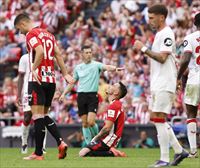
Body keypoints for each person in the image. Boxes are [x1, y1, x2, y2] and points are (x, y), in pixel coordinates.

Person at [133, 4, 188, 167]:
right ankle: (179, 151)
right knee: (156, 118)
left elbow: (163, 58)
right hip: (159, 81)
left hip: (164, 82)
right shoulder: (160, 34)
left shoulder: (166, 33)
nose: (149, 21)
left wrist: (143, 48)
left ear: (161, 17)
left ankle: (164, 159)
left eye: (151, 17)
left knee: (159, 118)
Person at [14, 13, 74, 160]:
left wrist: (33, 69)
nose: (20, 33)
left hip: (38, 79)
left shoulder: (31, 34)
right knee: (44, 115)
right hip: (51, 80)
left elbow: (39, 51)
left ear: (22, 24)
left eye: (18, 29)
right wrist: (65, 73)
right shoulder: (49, 34)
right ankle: (59, 142)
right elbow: (58, 55)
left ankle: (38, 153)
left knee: (38, 116)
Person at [59, 45, 124, 145]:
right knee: (84, 123)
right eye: (87, 52)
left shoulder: (96, 65)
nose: (89, 54)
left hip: (92, 95)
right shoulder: (78, 68)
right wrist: (64, 93)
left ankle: (97, 140)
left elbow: (106, 67)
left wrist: (115, 68)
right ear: (82, 54)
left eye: (90, 52)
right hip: (81, 96)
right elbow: (72, 82)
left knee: (91, 121)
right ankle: (89, 145)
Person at [79, 82, 127, 157]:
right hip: (110, 139)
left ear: (116, 92)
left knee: (82, 153)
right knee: (87, 152)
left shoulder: (114, 105)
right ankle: (111, 152)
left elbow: (107, 128)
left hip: (109, 139)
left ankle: (113, 153)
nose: (110, 86)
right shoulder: (116, 104)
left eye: (113, 85)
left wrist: (96, 138)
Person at [177, 12, 200, 158]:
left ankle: (193, 151)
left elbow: (185, 59)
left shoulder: (190, 38)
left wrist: (178, 76)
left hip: (195, 79)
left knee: (191, 114)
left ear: (194, 23)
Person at [18, 53, 47, 154]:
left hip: (42, 89)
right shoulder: (24, 58)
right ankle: (24, 143)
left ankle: (42, 146)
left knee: (42, 117)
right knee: (27, 117)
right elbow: (21, 76)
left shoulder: (44, 56)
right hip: (28, 90)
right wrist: (18, 94)